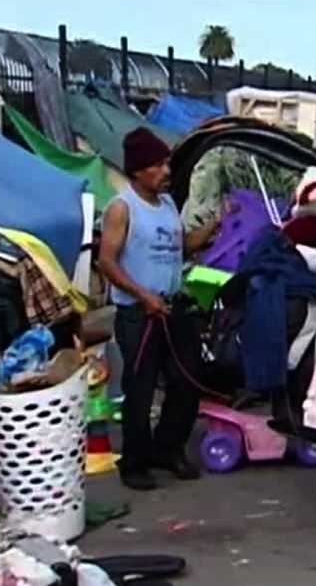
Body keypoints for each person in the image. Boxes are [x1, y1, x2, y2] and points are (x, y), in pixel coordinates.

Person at [98, 127, 221, 491]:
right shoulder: (122, 208)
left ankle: (168, 448)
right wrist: (141, 295)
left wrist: (214, 227)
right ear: (138, 170)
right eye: (158, 165)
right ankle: (134, 461)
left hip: (172, 306)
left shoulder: (167, 205)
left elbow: (178, 247)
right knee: (141, 387)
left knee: (187, 380)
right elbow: (106, 262)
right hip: (139, 314)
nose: (167, 170)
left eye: (167, 163)